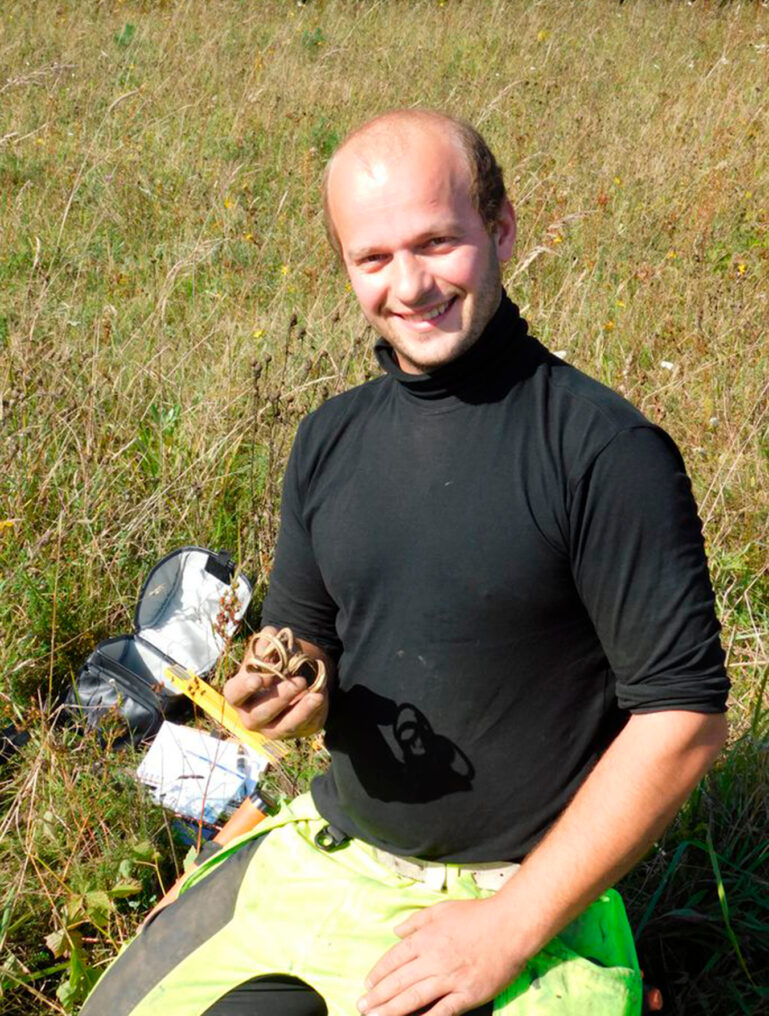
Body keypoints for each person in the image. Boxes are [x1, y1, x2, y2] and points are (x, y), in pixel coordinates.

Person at [81, 109, 729, 1016]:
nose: (411, 285)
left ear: (500, 229)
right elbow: (308, 645)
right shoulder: (329, 438)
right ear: (344, 266)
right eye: (373, 258)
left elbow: (683, 721)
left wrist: (503, 931)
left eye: (437, 242)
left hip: (512, 897)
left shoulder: (602, 451)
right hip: (330, 855)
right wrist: (293, 695)